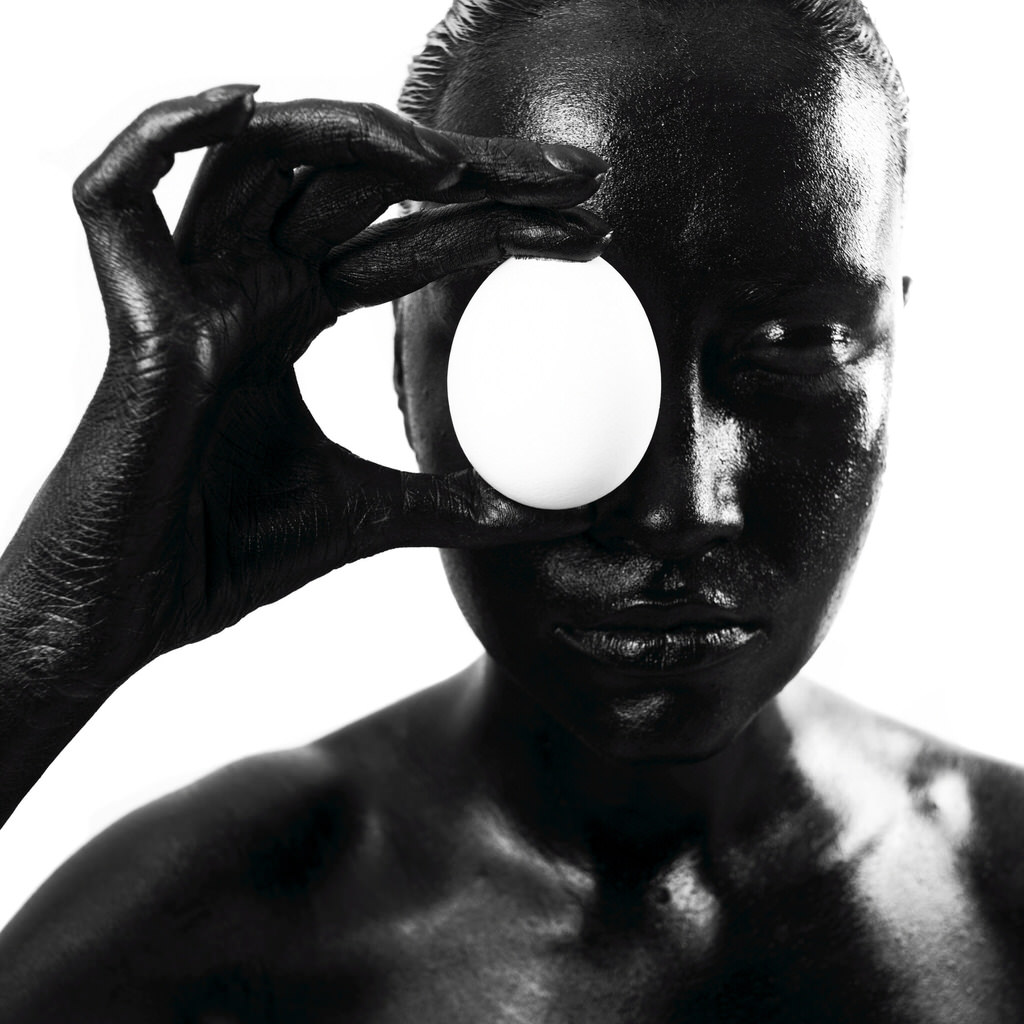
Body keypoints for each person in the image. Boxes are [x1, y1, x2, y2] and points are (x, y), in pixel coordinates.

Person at [0, 0, 1022, 1019]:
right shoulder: (199, 936)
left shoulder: (1005, 889)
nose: (674, 509)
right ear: (408, 362)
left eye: (797, 342)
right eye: (545, 353)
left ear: (895, 342)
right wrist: (44, 642)